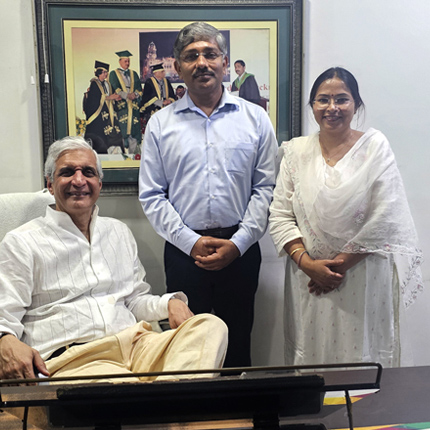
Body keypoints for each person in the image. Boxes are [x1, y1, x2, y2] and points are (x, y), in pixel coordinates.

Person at [0, 136, 228, 383]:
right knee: (125, 386)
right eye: (67, 172)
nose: (79, 180)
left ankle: (165, 396)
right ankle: (167, 398)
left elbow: (134, 300)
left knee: (210, 326)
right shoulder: (21, 242)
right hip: (77, 358)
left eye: (88, 172)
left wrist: (169, 303)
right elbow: (4, 317)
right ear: (50, 185)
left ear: (99, 184)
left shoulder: (118, 232)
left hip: (137, 345)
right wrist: (5, 339)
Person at [139, 22, 278, 368]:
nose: (201, 62)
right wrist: (190, 242)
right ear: (178, 67)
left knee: (238, 343)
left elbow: (266, 187)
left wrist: (239, 242)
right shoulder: (160, 124)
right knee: (189, 351)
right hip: (184, 252)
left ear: (224, 63)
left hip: (240, 250)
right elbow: (152, 195)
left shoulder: (255, 119)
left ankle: (238, 402)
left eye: (210, 54)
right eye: (191, 56)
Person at [269, 67, 424, 368]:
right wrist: (308, 264)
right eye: (323, 100)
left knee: (363, 360)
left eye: (341, 99)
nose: (332, 108)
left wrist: (337, 268)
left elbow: (387, 217)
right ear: (312, 105)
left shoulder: (375, 149)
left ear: (356, 104)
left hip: (363, 275)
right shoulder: (297, 152)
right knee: (312, 362)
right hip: (308, 279)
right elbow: (280, 215)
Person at [83, 60, 124, 154]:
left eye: (106, 72)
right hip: (99, 113)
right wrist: (109, 97)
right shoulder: (94, 83)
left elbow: (111, 95)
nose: (106, 74)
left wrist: (116, 98)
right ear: (99, 73)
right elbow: (95, 98)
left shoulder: (107, 84)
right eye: (104, 72)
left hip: (109, 112)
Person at [109, 50, 143, 154]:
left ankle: (133, 157)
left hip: (133, 107)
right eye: (125, 61)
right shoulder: (113, 74)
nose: (127, 63)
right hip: (122, 107)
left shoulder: (134, 73)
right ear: (120, 61)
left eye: (128, 61)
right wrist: (126, 95)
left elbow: (139, 88)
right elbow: (115, 87)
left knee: (134, 131)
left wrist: (135, 95)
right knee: (121, 130)